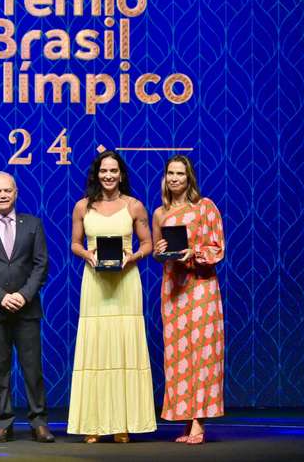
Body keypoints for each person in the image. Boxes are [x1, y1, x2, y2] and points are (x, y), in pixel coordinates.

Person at [67, 150, 157, 443]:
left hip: (125, 284)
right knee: (95, 349)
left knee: (123, 349)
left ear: (121, 175)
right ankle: (93, 424)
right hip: (94, 284)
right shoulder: (82, 207)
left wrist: (133, 257)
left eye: (114, 171)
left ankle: (123, 424)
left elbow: (148, 245)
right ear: (97, 174)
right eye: (104, 171)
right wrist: (88, 255)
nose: (108, 176)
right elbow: (75, 244)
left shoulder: (135, 207)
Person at [0, 171, 55, 443]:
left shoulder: (33, 224)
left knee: (32, 369)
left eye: (8, 190)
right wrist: (2, 297)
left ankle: (38, 422)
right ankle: (3, 423)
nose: (3, 195)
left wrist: (24, 295)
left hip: (27, 310)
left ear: (16, 192)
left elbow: (42, 264)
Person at [152, 154, 225, 445]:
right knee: (178, 354)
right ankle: (186, 417)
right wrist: (160, 251)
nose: (174, 179)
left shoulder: (205, 208)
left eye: (180, 174)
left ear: (189, 177)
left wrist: (192, 254)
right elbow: (159, 255)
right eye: (170, 173)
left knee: (204, 353)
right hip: (173, 289)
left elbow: (217, 249)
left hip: (201, 287)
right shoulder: (160, 213)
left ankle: (199, 422)